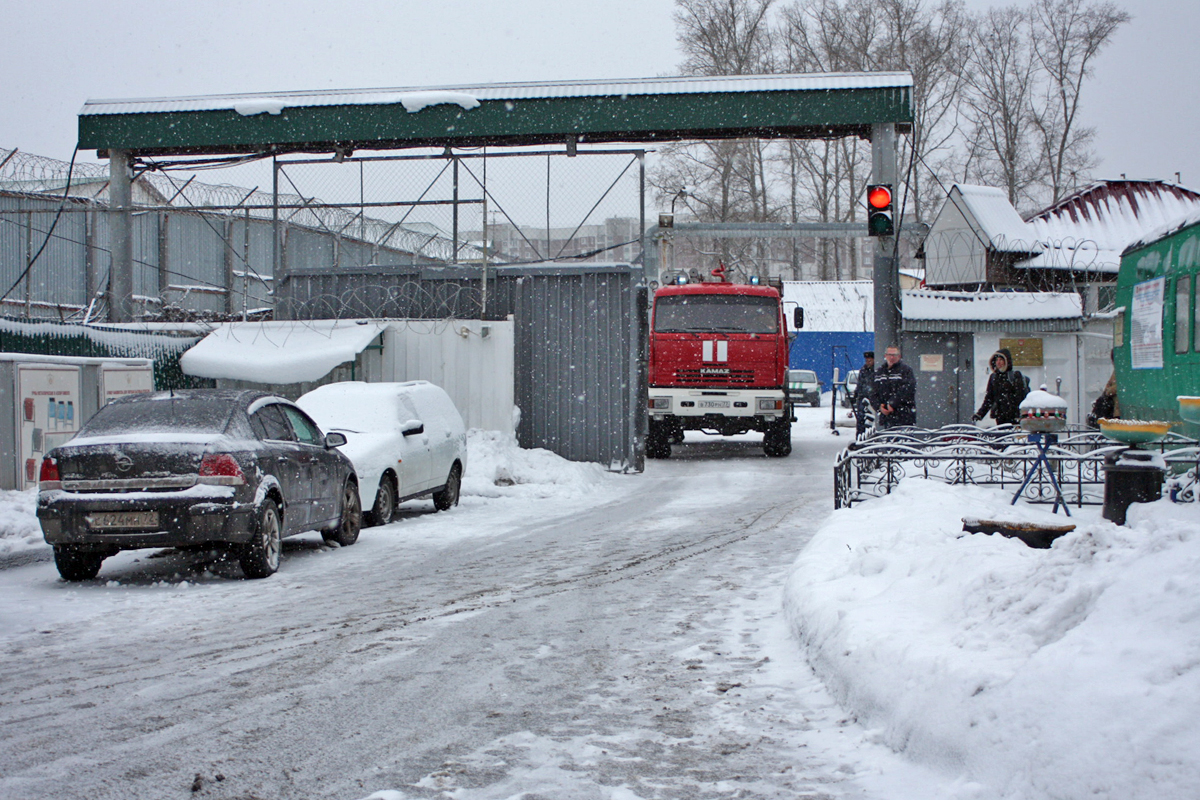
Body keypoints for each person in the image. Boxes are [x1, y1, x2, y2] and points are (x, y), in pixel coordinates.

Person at [971, 348, 1029, 426]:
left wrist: (1020, 414)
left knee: (1013, 436)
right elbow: (989, 398)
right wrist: (980, 414)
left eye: (1001, 360)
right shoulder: (994, 377)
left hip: (1014, 416)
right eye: (997, 360)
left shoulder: (1015, 375)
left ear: (1007, 361)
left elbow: (1020, 396)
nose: (998, 362)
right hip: (1000, 416)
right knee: (1002, 436)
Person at [872, 345, 916, 428]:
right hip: (886, 418)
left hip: (904, 417)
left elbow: (907, 389)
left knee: (904, 439)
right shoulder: (879, 372)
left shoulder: (906, 371)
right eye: (889, 355)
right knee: (888, 439)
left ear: (899, 356)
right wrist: (879, 407)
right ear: (885, 356)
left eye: (894, 355)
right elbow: (873, 392)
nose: (891, 357)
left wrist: (892, 404)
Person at [852, 351, 877, 437]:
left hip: (873, 399)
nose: (867, 363)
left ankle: (871, 437)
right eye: (866, 361)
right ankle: (860, 437)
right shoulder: (863, 370)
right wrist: (856, 394)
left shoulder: (877, 370)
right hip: (862, 398)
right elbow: (860, 384)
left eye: (869, 361)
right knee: (861, 419)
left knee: (871, 420)